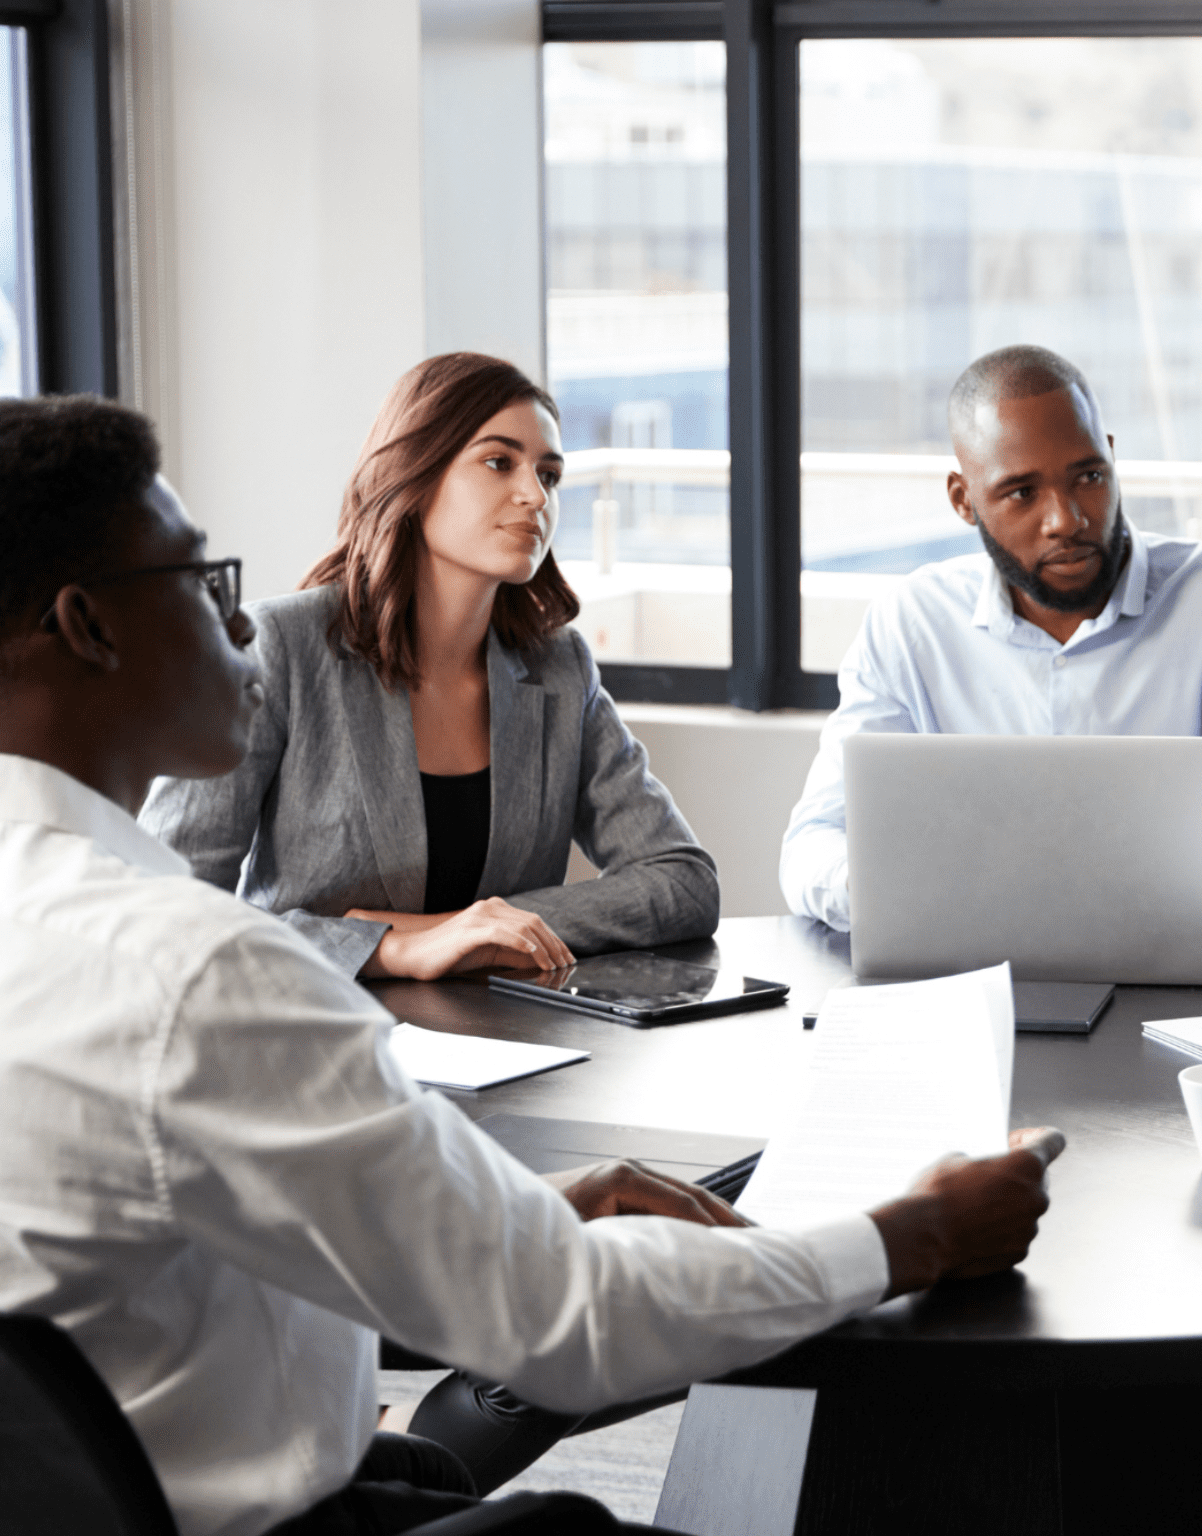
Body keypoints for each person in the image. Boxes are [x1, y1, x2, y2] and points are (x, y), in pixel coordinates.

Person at [0, 393, 1065, 1536]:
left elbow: (162, 1228)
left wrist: (518, 1210)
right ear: (89, 627)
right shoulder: (201, 972)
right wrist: (916, 1236)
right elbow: (568, 1319)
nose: (242, 628)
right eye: (203, 587)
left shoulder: (53, 914)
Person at [142, 352, 716, 982]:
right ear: (413, 474)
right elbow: (166, 910)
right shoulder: (280, 646)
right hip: (316, 1039)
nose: (535, 496)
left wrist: (474, 927)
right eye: (499, 463)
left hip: (515, 1047)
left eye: (548, 475)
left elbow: (683, 883)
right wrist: (390, 948)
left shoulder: (559, 668)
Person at [779, 344, 1202, 930]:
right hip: (968, 986)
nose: (1066, 520)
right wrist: (889, 891)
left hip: (1175, 998)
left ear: (1111, 459)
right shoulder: (911, 622)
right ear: (964, 500)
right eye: (1021, 493)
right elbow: (814, 847)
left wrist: (946, 892)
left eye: (1088, 477)